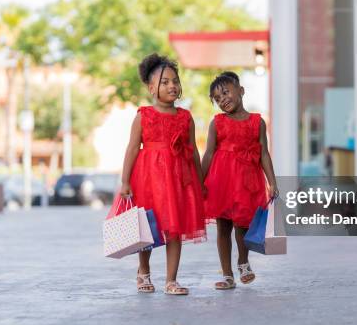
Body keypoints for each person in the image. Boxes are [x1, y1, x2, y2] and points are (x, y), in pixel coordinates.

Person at [119, 53, 206, 295]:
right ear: (151, 88)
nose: (172, 86)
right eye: (165, 82)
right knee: (147, 227)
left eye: (175, 81)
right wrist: (125, 180)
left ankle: (171, 279)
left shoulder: (186, 117)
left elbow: (193, 151)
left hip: (178, 179)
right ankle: (143, 271)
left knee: (175, 228)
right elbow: (133, 147)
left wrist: (200, 181)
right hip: (148, 179)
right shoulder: (143, 116)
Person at [202, 71, 278, 290]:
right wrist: (199, 180)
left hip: (247, 181)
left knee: (242, 224)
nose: (223, 99)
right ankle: (227, 274)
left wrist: (272, 181)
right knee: (223, 227)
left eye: (226, 92)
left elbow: (263, 153)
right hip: (221, 182)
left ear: (241, 91)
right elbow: (208, 154)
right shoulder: (217, 123)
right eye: (217, 98)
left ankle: (243, 262)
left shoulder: (257, 122)